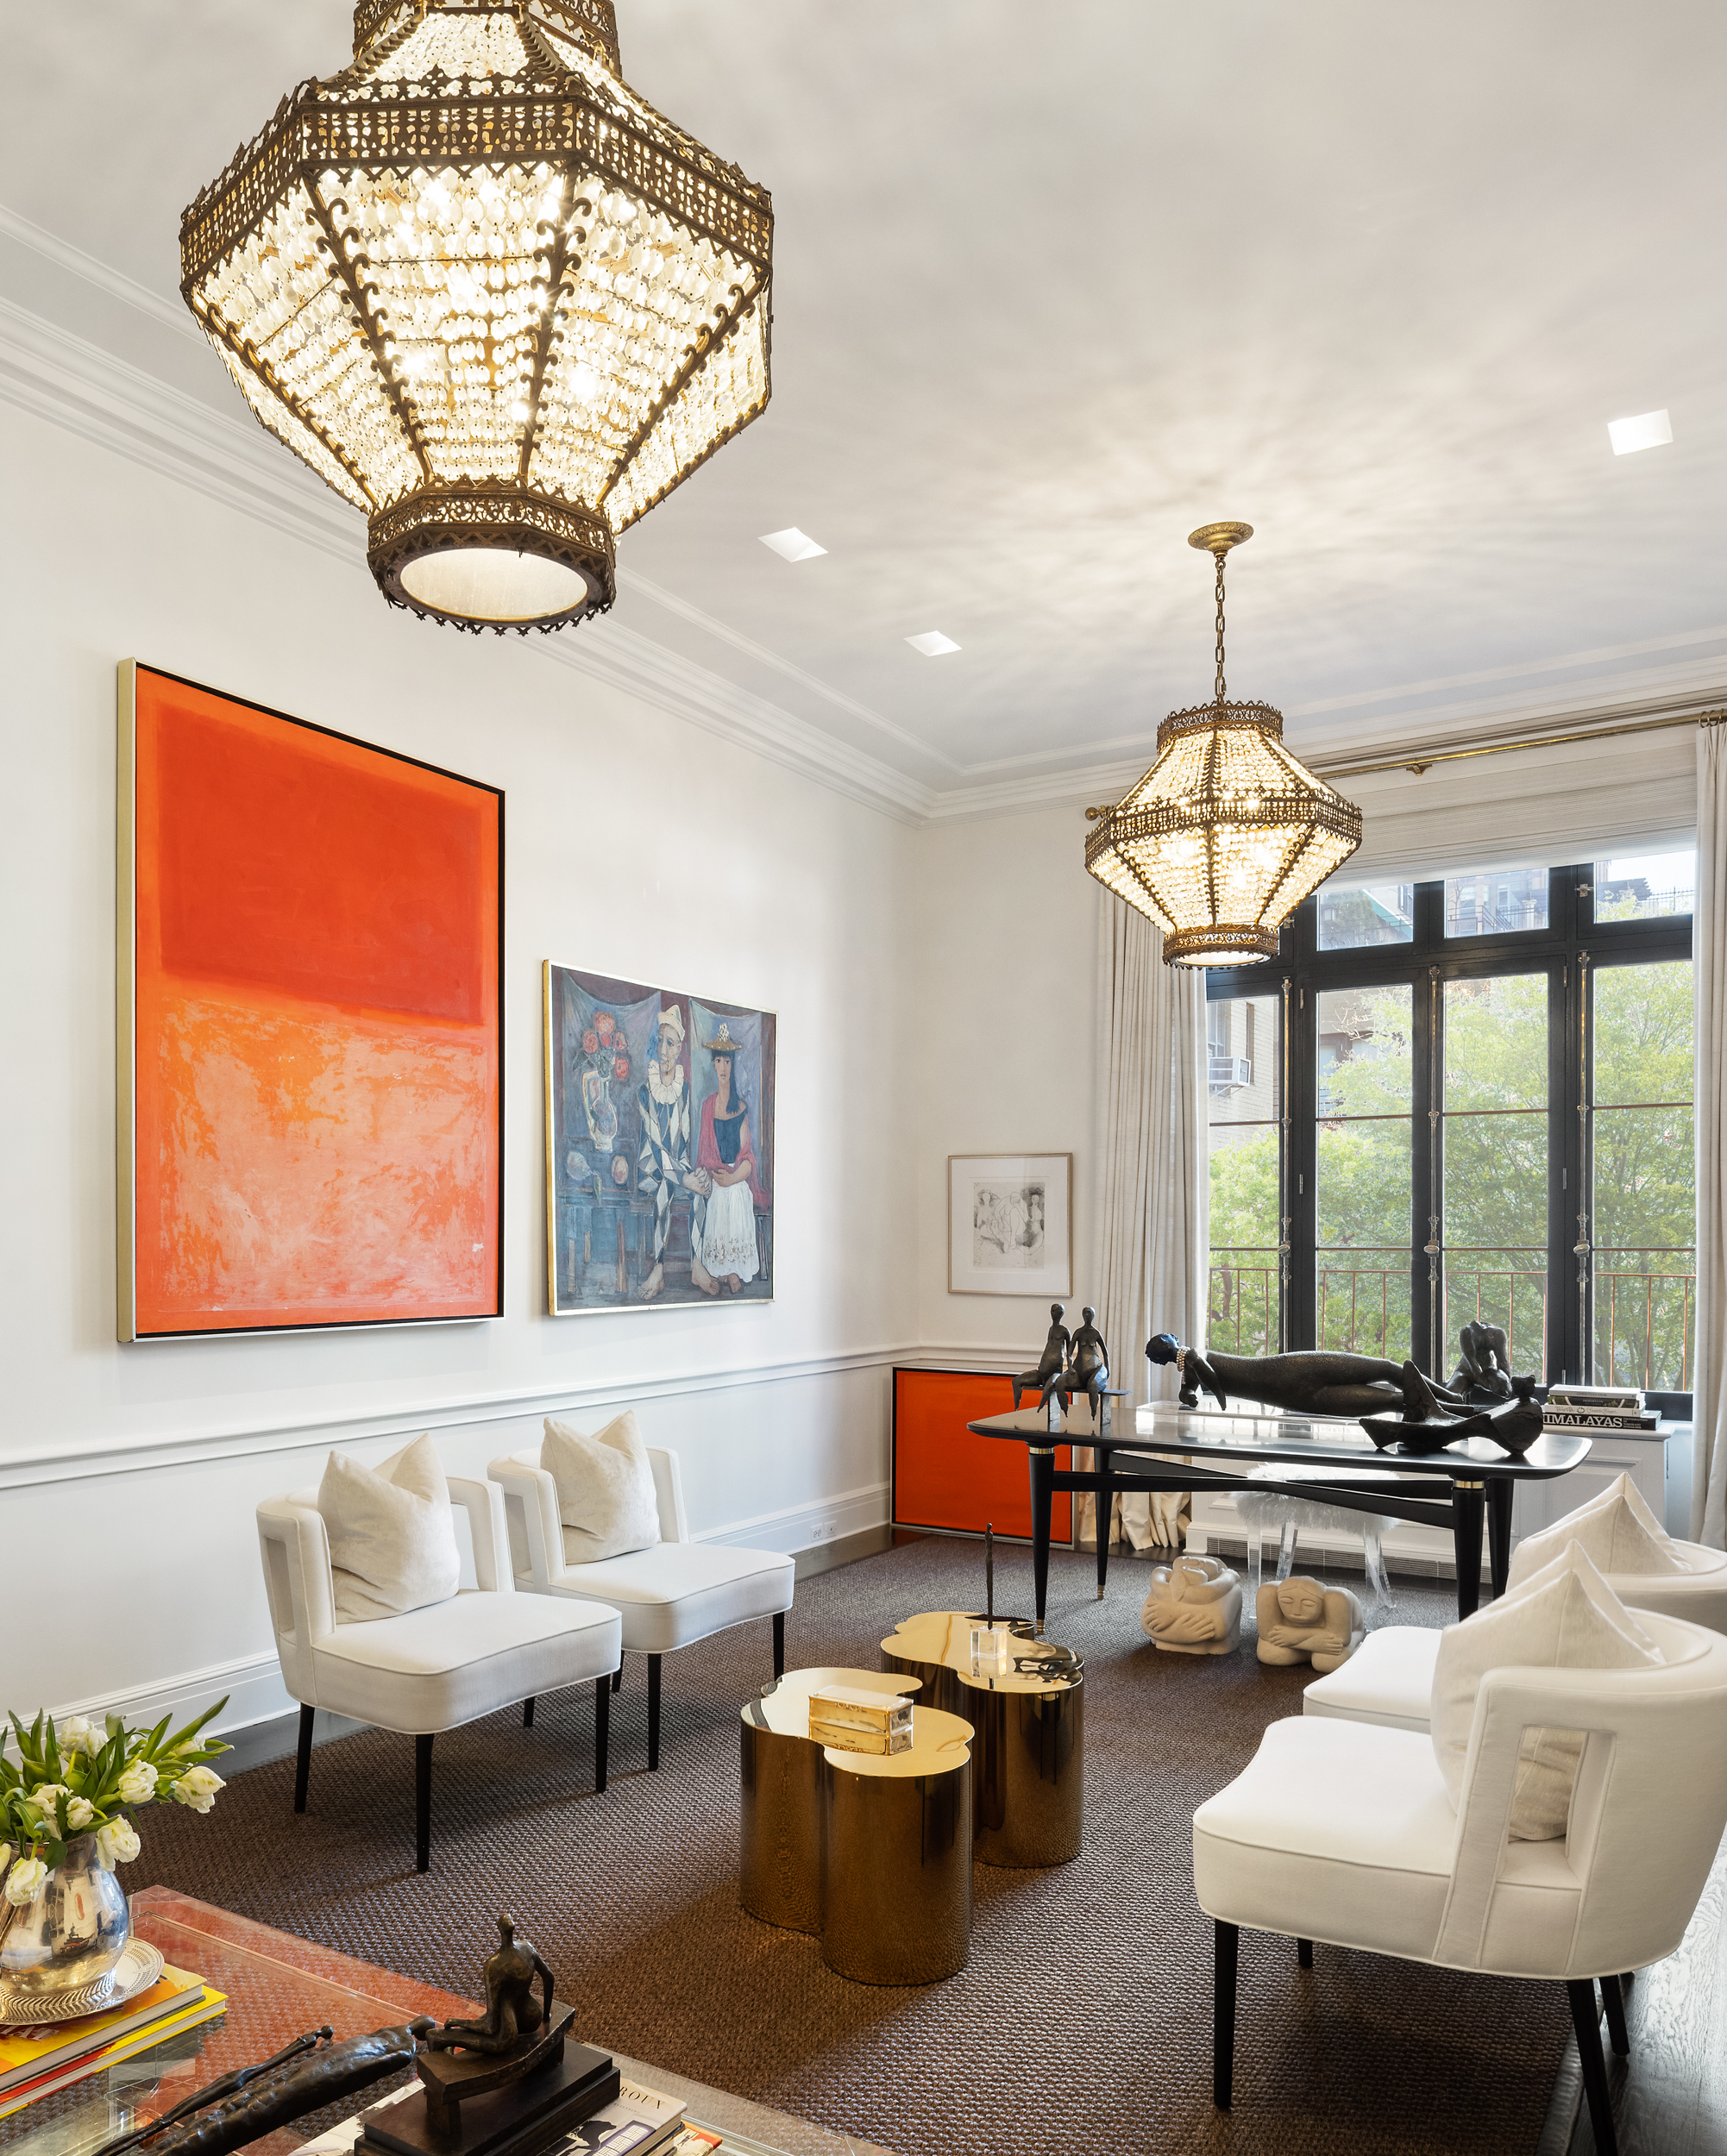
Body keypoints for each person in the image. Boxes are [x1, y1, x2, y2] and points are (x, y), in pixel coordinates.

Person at [635, 1005, 715, 1301]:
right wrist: (684, 1176)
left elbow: (683, 1141)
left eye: (670, 1043)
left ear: (679, 1048)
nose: (663, 1049)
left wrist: (694, 1175)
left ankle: (697, 1264)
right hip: (649, 1166)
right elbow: (654, 1148)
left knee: (698, 1190)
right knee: (666, 1185)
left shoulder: (685, 1090)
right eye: (660, 1041)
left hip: (676, 1167)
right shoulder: (645, 1091)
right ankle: (658, 1269)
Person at [694, 1024, 765, 1294]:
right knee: (718, 1197)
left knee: (736, 1195)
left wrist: (734, 1177)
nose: (723, 1067)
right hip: (715, 1177)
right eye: (718, 1062)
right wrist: (715, 1176)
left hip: (735, 1178)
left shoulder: (742, 1108)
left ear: (732, 1066)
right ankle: (720, 1269)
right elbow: (704, 1155)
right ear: (713, 1066)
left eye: (727, 1061)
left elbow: (747, 1157)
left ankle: (734, 1269)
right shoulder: (707, 1107)